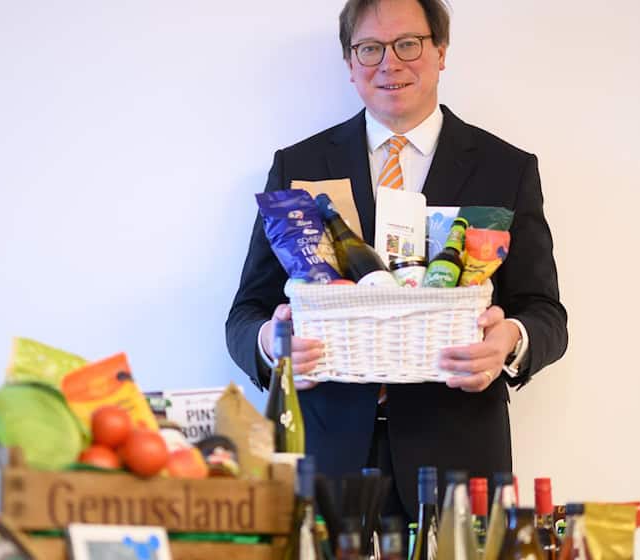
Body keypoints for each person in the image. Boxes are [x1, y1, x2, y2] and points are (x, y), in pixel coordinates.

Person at [226, 0, 567, 522]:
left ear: (441, 51)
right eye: (370, 48)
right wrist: (272, 345)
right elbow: (247, 311)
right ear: (349, 61)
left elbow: (545, 312)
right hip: (324, 455)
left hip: (458, 456)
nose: (390, 63)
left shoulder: (507, 169)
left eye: (409, 43)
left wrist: (509, 342)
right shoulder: (298, 165)